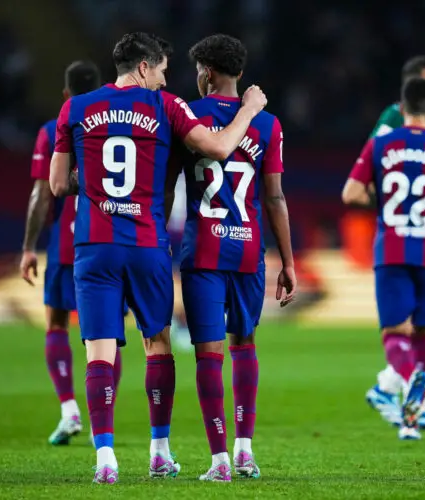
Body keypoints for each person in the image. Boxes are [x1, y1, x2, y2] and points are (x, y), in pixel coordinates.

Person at [49, 32, 268, 484]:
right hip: (147, 245)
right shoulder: (166, 106)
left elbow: (56, 185)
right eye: (164, 69)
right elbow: (221, 148)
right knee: (159, 343)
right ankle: (158, 452)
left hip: (94, 246)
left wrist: (93, 183)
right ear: (145, 67)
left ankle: (105, 459)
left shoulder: (75, 108)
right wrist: (248, 109)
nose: (166, 77)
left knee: (99, 354)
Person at [175, 33, 295, 482]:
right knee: (245, 345)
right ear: (240, 74)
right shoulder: (269, 124)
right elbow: (275, 197)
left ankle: (220, 461)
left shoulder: (186, 114)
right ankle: (245, 451)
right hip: (248, 248)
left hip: (204, 249)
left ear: (206, 73)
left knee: (209, 354)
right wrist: (288, 261)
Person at [343, 77, 425, 440]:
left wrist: (385, 200)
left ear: (401, 109)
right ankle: (413, 417)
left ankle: (408, 383)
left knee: (393, 333)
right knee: (424, 333)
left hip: (393, 246)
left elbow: (351, 193)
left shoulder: (381, 146)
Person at [20, 60, 123, 446]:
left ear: (66, 95)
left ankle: (69, 409)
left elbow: (42, 193)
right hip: (114, 240)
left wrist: (29, 247)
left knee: (57, 324)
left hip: (69, 246)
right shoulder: (120, 125)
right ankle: (104, 420)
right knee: (108, 335)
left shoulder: (53, 129)